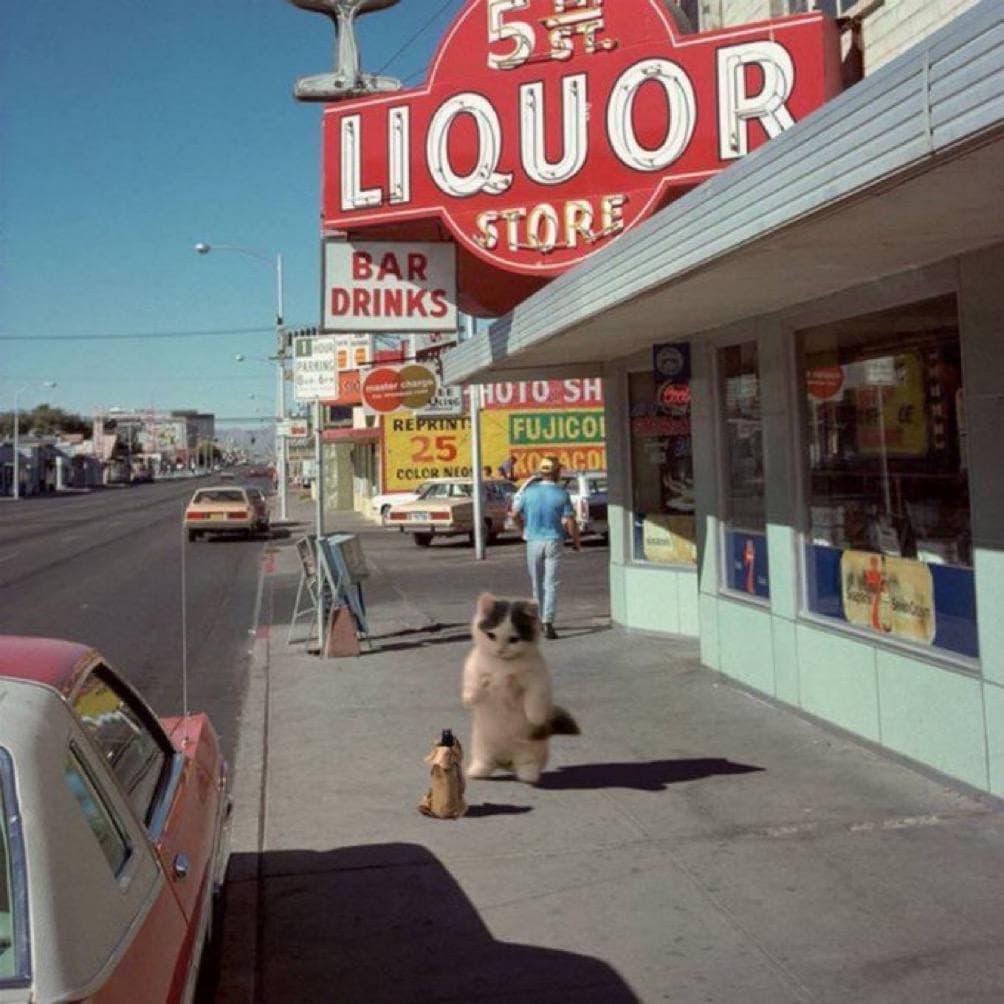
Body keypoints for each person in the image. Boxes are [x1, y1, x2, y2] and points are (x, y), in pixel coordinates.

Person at [511, 456, 580, 639]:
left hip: (533, 540)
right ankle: (548, 621)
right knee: (551, 582)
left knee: (537, 582)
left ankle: (539, 618)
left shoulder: (528, 492)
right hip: (554, 540)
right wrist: (575, 541)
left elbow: (515, 514)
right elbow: (570, 521)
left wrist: (522, 530)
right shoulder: (561, 493)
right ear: (556, 472)